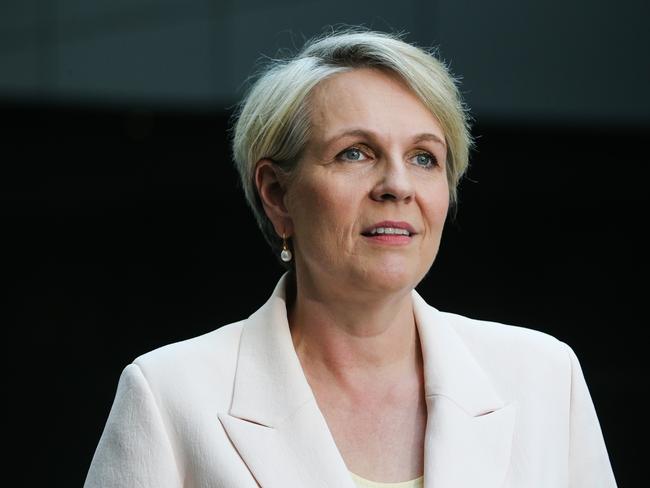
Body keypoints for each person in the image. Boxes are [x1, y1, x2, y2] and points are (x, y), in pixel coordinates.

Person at [84, 28, 617, 488]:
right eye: (355, 153)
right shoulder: (168, 393)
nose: (398, 186)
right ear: (276, 193)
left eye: (424, 157)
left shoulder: (547, 377)